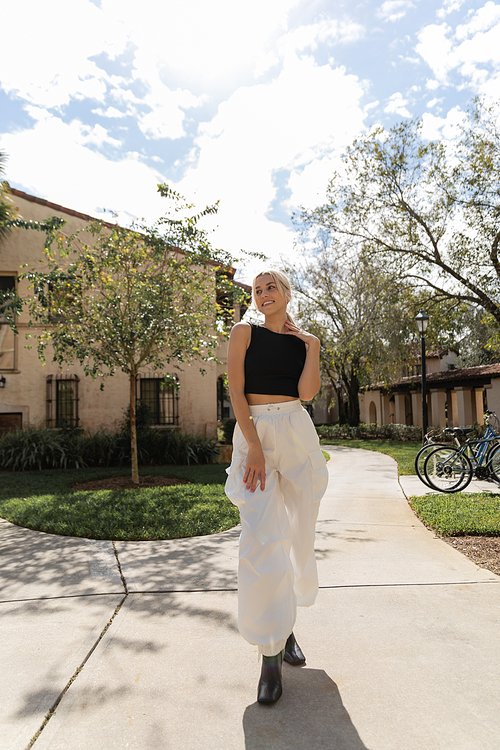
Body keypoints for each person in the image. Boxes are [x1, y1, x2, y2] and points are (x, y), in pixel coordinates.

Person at [225, 269, 329, 705]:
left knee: (299, 538)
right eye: (257, 289)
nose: (263, 293)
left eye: (271, 287)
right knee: (263, 539)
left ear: (287, 294)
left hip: (297, 433)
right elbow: (235, 388)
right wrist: (253, 446)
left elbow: (306, 394)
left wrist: (314, 346)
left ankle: (285, 631)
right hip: (256, 436)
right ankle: (270, 656)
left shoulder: (301, 342)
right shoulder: (243, 332)